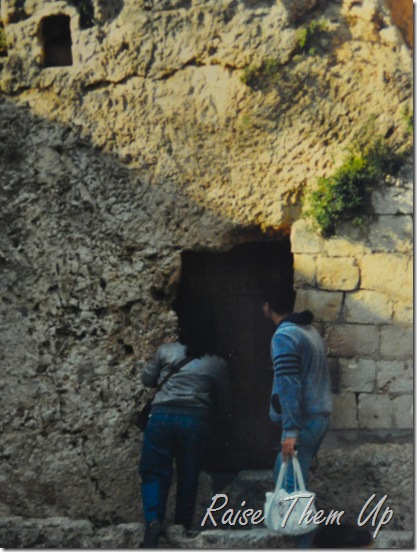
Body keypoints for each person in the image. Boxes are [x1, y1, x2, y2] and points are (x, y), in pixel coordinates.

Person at [138, 330, 230, 548]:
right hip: (195, 422)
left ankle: (153, 522)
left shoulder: (166, 351)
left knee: (154, 472)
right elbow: (225, 401)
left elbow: (147, 379)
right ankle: (182, 526)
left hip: (161, 418)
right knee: (189, 474)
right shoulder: (217, 363)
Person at [262, 280, 332, 548]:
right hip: (319, 418)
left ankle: (304, 545)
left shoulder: (284, 336)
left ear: (267, 307)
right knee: (288, 478)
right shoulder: (310, 332)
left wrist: (290, 431)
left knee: (292, 490)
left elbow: (288, 383)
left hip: (302, 423)